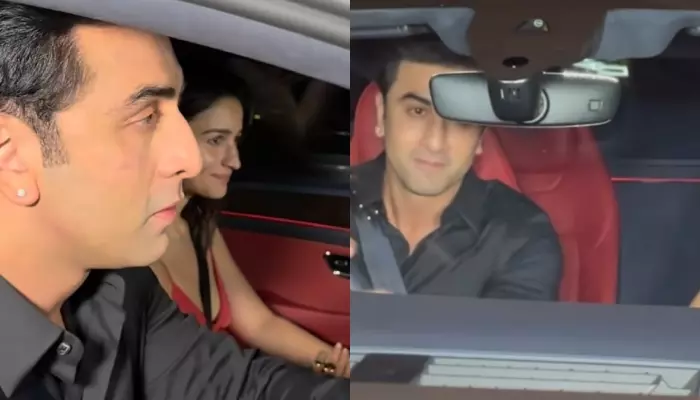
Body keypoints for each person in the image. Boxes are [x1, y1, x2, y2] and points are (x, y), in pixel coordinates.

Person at [0, 3, 347, 399]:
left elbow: (240, 386)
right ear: (12, 157)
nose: (190, 160)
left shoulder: (121, 290)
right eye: (146, 117)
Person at [149, 77, 350, 377]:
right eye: (216, 140)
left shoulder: (199, 224)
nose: (235, 161)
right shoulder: (141, 249)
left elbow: (259, 324)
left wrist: (333, 364)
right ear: (168, 139)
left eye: (236, 140)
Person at [350, 37, 563, 299]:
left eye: (460, 119)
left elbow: (508, 326)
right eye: (417, 111)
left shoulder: (520, 236)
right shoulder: (329, 204)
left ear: (481, 135)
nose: (435, 142)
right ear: (381, 114)